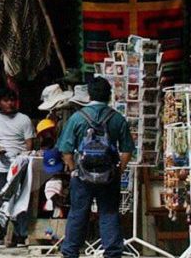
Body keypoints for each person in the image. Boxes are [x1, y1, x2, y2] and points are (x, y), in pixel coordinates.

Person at [57, 77, 134, 258]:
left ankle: (70, 252)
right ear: (109, 95)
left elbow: (66, 150)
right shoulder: (117, 118)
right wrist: (118, 170)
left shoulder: (77, 118)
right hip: (109, 176)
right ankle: (113, 253)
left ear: (89, 94)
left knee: (78, 213)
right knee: (108, 213)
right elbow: (127, 150)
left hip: (82, 176)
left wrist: (74, 169)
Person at [0, 89, 34, 244]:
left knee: (22, 200)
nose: (10, 103)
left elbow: (29, 145)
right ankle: (2, 232)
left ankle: (21, 233)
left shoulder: (24, 119)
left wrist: (22, 158)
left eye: (12, 100)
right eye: (6, 100)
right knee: (4, 200)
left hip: (21, 168)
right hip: (3, 168)